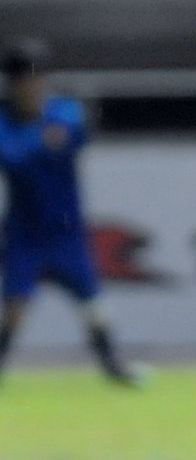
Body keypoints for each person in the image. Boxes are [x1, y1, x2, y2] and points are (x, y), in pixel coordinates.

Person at [0, 38, 140, 386]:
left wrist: (35, 144)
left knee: (93, 303)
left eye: (37, 78)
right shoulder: (8, 122)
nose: (32, 87)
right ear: (12, 84)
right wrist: (40, 143)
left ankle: (113, 366)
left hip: (66, 231)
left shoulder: (64, 111)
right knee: (15, 308)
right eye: (23, 80)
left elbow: (76, 130)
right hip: (25, 232)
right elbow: (16, 158)